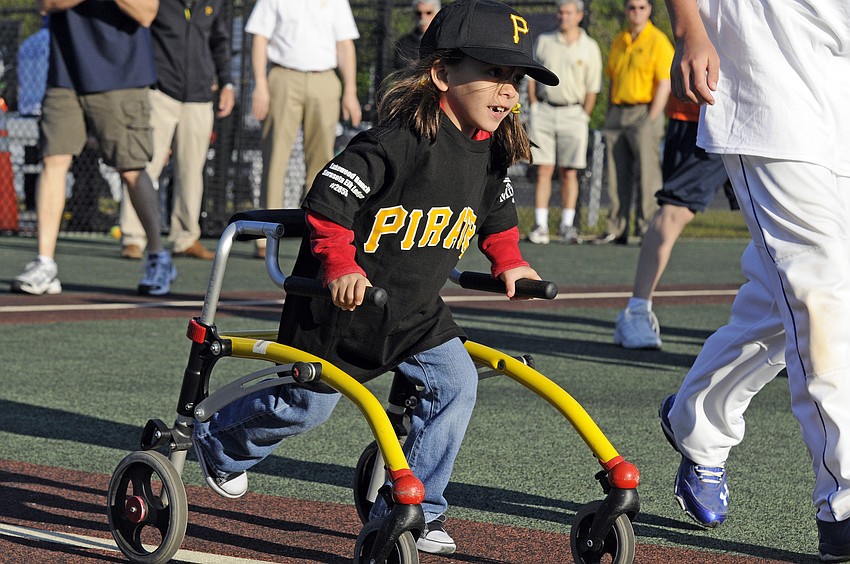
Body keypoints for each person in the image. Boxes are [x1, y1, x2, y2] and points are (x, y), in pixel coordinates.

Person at [191, 0, 558, 555]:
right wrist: (339, 266)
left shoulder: (490, 152)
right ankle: (220, 443)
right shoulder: (397, 141)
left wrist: (508, 260)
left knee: (457, 384)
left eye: (515, 79)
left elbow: (497, 218)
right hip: (339, 309)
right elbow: (327, 202)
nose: (508, 92)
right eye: (493, 74)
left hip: (414, 311)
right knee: (306, 406)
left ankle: (414, 511)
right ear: (442, 74)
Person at [658, 0, 850, 561]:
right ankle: (842, 502)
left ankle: (697, 419)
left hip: (836, 84)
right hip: (766, 84)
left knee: (783, 299)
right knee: (821, 296)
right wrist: (689, 27)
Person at [11, 0, 176, 297]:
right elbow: (46, 4)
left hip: (122, 78)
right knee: (54, 160)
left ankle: (157, 256)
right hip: (65, 78)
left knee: (131, 169)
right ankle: (45, 263)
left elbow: (147, 12)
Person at [118, 0, 235, 261]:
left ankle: (185, 238)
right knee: (144, 165)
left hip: (200, 97)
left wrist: (227, 82)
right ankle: (133, 238)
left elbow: (220, 41)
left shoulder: (213, 3)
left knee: (192, 170)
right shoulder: (157, 3)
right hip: (159, 93)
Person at [246, 0, 363, 258]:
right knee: (275, 158)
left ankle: (318, 234)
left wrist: (350, 91)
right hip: (283, 77)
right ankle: (265, 238)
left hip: (324, 79)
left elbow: (345, 44)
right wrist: (261, 84)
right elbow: (259, 38)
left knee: (323, 163)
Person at [614, 96, 728, 349]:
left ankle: (784, 319)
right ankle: (637, 310)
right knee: (676, 209)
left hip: (773, 123)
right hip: (707, 116)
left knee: (777, 220)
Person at [594, 0, 672, 245]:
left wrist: (652, 117)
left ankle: (647, 227)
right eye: (631, 7)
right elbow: (613, 80)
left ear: (649, 10)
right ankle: (617, 228)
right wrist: (609, 111)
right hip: (618, 111)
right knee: (617, 174)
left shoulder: (657, 40)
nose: (636, 12)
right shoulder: (620, 39)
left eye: (641, 7)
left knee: (648, 173)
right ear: (626, 10)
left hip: (644, 111)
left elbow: (665, 82)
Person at [525, 0, 601, 245]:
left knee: (570, 171)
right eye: (560, 12)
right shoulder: (545, 41)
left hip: (574, 114)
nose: (563, 16)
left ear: (579, 15)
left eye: (568, 12)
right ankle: (541, 226)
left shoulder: (589, 47)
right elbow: (532, 77)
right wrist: (535, 105)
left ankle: (567, 226)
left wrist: (584, 114)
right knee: (544, 169)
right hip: (545, 112)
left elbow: (592, 88)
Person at [392, 0, 441, 71]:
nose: (423, 17)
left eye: (428, 13)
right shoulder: (404, 43)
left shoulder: (445, 39)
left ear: (437, 14)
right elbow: (402, 70)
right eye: (418, 13)